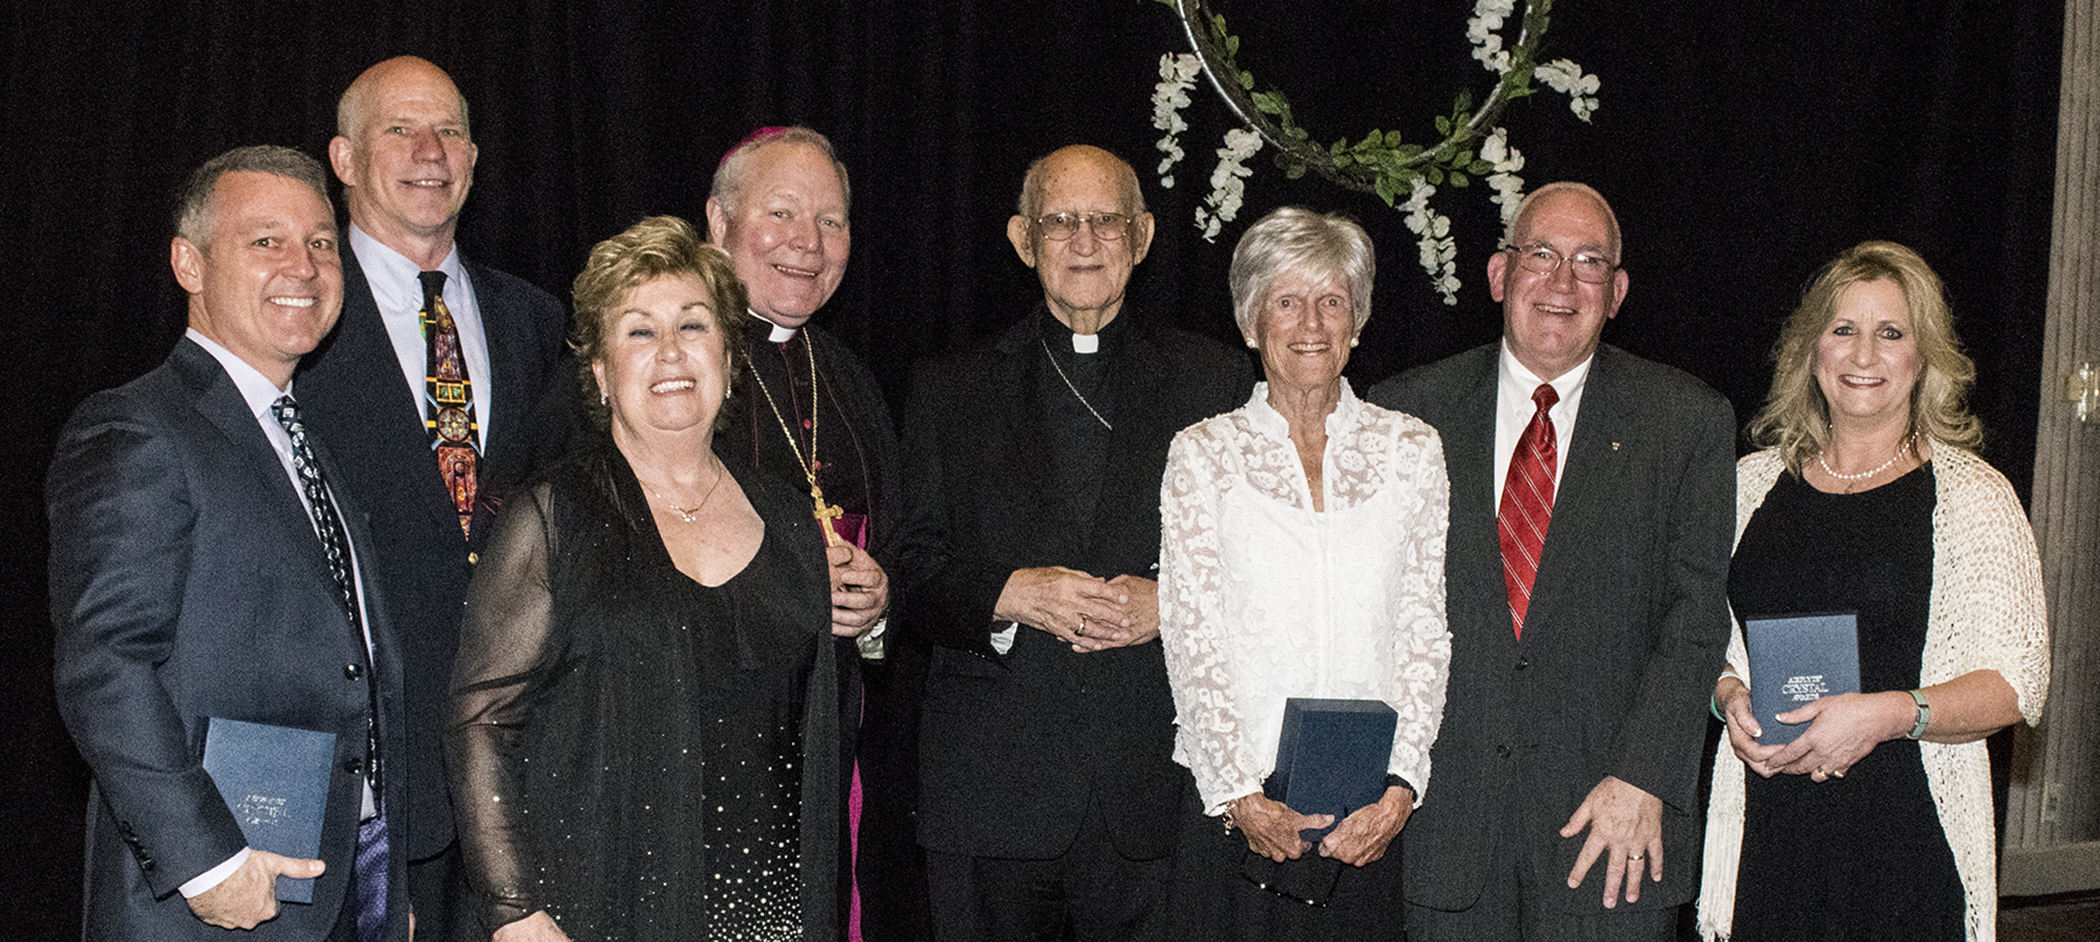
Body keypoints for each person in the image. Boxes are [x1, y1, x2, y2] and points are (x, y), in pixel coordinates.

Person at [446, 216, 850, 941]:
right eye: (638, 332)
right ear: (600, 373)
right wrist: (515, 911)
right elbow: (481, 722)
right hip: (602, 904)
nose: (671, 352)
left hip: (772, 912)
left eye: (694, 326)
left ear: (729, 356)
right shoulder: (552, 517)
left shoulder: (790, 521)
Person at [49, 145, 408, 940]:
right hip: (212, 903)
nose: (305, 266)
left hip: (342, 886)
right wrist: (205, 863)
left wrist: (385, 881)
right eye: (265, 242)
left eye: (321, 242)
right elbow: (104, 663)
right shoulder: (138, 428)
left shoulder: (306, 438)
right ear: (188, 263)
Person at [896, 144, 1254, 942]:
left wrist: (1175, 605)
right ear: (1024, 240)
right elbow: (910, 571)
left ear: (1145, 236)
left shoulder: (1215, 382)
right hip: (993, 791)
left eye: (1106, 221)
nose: (1085, 241)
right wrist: (1009, 593)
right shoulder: (950, 388)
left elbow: (1265, 565)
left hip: (1151, 789)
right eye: (1062, 221)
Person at [1368, 182, 1735, 940]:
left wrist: (1645, 774)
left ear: (1618, 291)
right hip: (1444, 832)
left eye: (1589, 262)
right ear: (1500, 274)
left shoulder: (1687, 422)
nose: (1562, 282)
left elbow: (1696, 617)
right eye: (1541, 254)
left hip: (1611, 830)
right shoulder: (1406, 414)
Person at [1697, 241, 2050, 942]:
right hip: (1769, 835)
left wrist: (1888, 714)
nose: (1864, 355)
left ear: (1924, 358)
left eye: (1891, 333)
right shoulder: (1745, 486)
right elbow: (1698, 640)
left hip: (1906, 841)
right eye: (1843, 330)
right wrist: (1727, 697)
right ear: (1811, 350)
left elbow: (2018, 683)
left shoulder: (1975, 497)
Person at [296, 55, 570, 939]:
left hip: (522, 772)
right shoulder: (295, 325)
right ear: (342, 158)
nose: (431, 151)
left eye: (450, 130)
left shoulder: (537, 321)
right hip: (363, 784)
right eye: (399, 130)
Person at [1159, 208, 1451, 941]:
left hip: (1369, 821)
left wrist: (1400, 790)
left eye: (1332, 301)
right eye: (1286, 302)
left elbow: (1424, 629)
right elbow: (1192, 636)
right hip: (1241, 817)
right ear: (1251, 323)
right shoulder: (1203, 455)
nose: (1311, 323)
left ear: (1357, 323)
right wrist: (1239, 794)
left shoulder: (1411, 449)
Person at [703, 126, 911, 940]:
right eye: (781, 213)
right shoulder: (672, 359)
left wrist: (880, 600)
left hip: (827, 730)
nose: (807, 244)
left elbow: (898, 544)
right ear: (718, 223)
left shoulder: (849, 375)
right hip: (706, 735)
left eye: (830, 222)